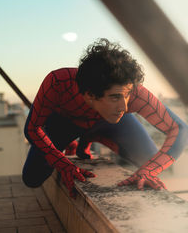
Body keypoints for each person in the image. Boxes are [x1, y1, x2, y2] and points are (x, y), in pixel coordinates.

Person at [22, 38, 188, 197]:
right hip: (66, 122)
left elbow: (180, 128)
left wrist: (150, 170)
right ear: (89, 95)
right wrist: (61, 162)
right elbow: (32, 127)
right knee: (32, 177)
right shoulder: (59, 82)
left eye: (128, 94)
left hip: (110, 123)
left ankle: (91, 136)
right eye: (115, 97)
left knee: (149, 160)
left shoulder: (135, 94)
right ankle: (79, 140)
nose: (124, 106)